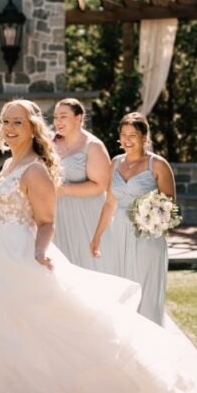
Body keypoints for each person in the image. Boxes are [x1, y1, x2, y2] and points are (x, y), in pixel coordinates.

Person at [0, 100, 190, 393]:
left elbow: (46, 221)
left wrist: (38, 250)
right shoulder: (8, 165)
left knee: (38, 326)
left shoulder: (35, 169)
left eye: (17, 121)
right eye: (5, 121)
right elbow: (3, 212)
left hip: (21, 256)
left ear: (32, 127)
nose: (9, 127)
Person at [90, 113, 175, 324]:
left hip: (147, 235)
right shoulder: (115, 162)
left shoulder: (158, 165)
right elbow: (110, 202)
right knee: (121, 287)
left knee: (145, 287)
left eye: (133, 135)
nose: (127, 140)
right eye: (123, 135)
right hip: (117, 233)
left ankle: (150, 340)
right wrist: (97, 236)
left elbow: (170, 206)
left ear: (144, 137)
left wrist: (151, 219)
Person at [53, 99, 111, 270]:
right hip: (57, 214)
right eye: (55, 117)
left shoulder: (93, 146)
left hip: (87, 214)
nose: (58, 121)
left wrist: (64, 190)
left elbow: (101, 185)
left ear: (79, 117)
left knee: (88, 266)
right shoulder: (50, 143)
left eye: (63, 116)